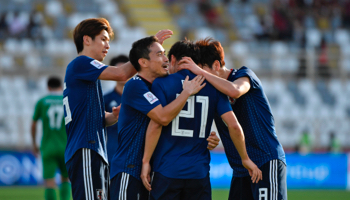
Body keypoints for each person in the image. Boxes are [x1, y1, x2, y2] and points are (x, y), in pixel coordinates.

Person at [141, 39, 262, 200]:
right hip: (199, 173)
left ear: (174, 60)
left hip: (167, 170)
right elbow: (233, 125)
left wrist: (146, 161)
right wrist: (245, 158)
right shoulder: (214, 86)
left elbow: (156, 125)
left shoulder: (162, 84)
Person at [178, 38, 287, 200]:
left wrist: (201, 72)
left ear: (216, 65)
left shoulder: (244, 75)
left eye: (201, 70)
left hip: (265, 161)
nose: (198, 76)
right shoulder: (212, 90)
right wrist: (211, 137)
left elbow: (235, 91)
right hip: (241, 168)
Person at [109, 36, 207, 200]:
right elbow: (162, 118)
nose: (166, 59)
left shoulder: (159, 86)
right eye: (160, 54)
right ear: (144, 62)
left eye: (165, 54)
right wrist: (186, 93)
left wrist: (205, 138)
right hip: (129, 168)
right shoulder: (135, 85)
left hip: (149, 171)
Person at [63, 18, 138, 200]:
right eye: (103, 39)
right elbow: (121, 73)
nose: (108, 45)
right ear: (87, 40)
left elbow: (96, 119)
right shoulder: (81, 63)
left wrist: (114, 116)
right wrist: (144, 53)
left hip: (92, 151)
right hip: (86, 149)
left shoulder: (87, 74)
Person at [31, 76, 71, 200]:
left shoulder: (42, 101)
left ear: (48, 87)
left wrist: (34, 144)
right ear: (61, 86)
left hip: (47, 146)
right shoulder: (67, 100)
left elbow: (33, 124)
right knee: (66, 179)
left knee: (49, 182)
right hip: (65, 146)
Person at [103, 55, 130, 164]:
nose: (123, 75)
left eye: (126, 71)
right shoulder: (106, 98)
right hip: (110, 153)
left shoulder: (139, 98)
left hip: (132, 154)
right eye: (119, 71)